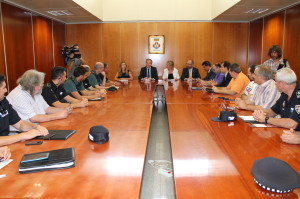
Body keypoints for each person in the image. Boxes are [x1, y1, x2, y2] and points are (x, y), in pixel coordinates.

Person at [0, 74, 48, 146]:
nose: (6, 90)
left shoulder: (3, 101)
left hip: (7, 144)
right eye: (4, 88)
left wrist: (35, 127)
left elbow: (19, 124)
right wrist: (22, 136)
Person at [7, 70, 71, 124]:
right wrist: (57, 116)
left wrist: (63, 110)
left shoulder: (35, 91)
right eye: (41, 84)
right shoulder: (18, 96)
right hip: (24, 131)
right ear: (33, 85)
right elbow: (34, 118)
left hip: (40, 124)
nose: (42, 86)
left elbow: (46, 109)